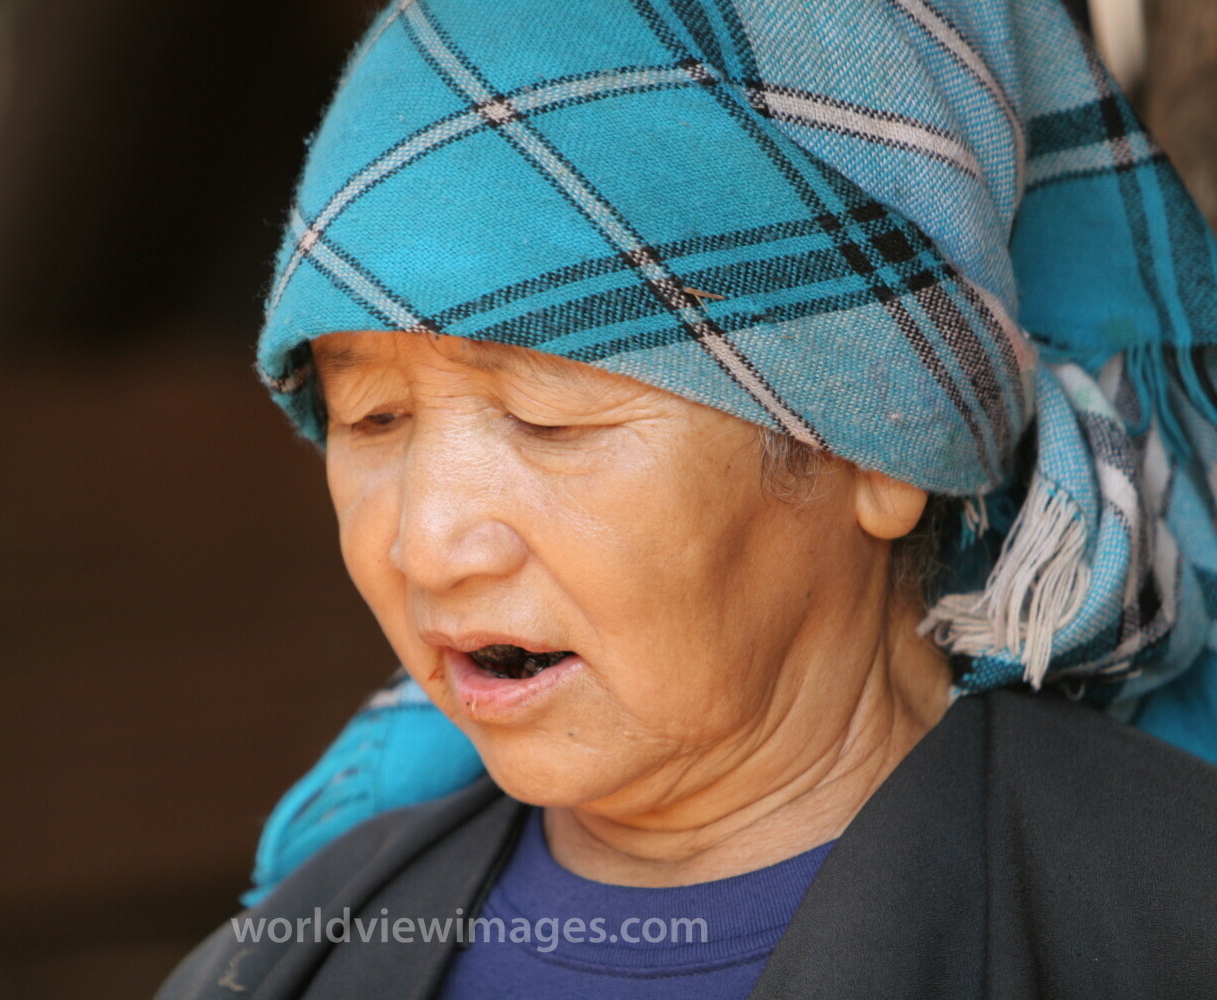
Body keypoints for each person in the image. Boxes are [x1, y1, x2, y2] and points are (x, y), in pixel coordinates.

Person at [158, 0, 1217, 996]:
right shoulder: (285, 960)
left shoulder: (1166, 923)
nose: (426, 546)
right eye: (372, 417)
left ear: (886, 445)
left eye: (548, 419)